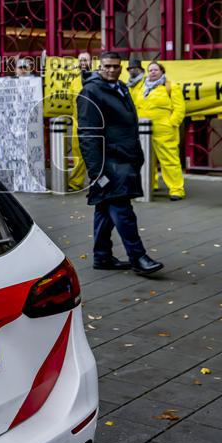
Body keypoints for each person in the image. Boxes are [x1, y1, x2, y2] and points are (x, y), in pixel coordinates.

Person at [76, 51, 164, 275]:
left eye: (115, 66)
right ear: (99, 66)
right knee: (122, 208)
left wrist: (137, 155)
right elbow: (88, 135)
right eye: (107, 66)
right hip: (109, 163)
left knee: (105, 208)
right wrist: (97, 172)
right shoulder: (91, 91)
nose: (111, 70)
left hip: (124, 158)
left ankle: (102, 256)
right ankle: (138, 256)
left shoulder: (121, 87)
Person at [134, 61, 186, 201]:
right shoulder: (141, 87)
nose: (152, 72)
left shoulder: (170, 86)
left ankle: (176, 189)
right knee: (145, 159)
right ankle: (150, 184)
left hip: (164, 130)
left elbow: (179, 109)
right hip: (143, 130)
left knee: (169, 160)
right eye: (150, 70)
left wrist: (171, 123)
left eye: (155, 69)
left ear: (162, 71)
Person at [68, 52, 93, 191]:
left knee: (98, 155)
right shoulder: (74, 82)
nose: (83, 63)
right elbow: (72, 103)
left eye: (86, 60)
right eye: (81, 60)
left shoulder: (98, 79)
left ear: (91, 62)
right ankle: (75, 183)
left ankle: (100, 184)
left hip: (95, 123)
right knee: (78, 155)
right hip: (78, 123)